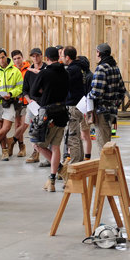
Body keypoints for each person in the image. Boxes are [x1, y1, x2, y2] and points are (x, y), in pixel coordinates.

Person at [31, 46, 69, 192]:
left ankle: (59, 170)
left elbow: (34, 92)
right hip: (62, 113)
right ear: (58, 57)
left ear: (46, 58)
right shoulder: (65, 73)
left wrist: (45, 92)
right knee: (56, 146)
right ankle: (52, 179)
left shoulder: (44, 74)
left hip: (48, 115)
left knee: (37, 144)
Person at [0, 47, 22, 161]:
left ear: (6, 56)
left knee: (6, 128)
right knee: (0, 127)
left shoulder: (15, 71)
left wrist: (11, 94)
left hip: (9, 102)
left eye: (3, 57)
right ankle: (4, 151)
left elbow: (20, 87)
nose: (1, 60)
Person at [89, 42, 126, 150]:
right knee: (107, 141)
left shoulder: (101, 68)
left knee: (103, 144)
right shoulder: (115, 68)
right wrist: (115, 104)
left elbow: (96, 92)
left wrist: (88, 98)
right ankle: (107, 166)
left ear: (99, 53)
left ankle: (105, 166)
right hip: (111, 111)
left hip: (102, 112)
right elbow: (122, 91)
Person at [62, 46, 88, 166]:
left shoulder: (73, 70)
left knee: (72, 137)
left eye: (62, 56)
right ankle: (80, 162)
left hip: (73, 106)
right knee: (76, 136)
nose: (62, 58)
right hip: (79, 105)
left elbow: (64, 84)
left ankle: (74, 164)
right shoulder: (80, 68)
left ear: (67, 57)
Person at [21, 47, 44, 164]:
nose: (35, 58)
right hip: (32, 105)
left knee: (46, 130)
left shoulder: (46, 69)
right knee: (32, 130)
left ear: (41, 56)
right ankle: (35, 152)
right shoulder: (29, 73)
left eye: (37, 56)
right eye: (33, 56)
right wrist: (29, 100)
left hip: (44, 104)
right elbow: (25, 90)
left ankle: (47, 154)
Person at [10, 49, 30, 159]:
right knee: (17, 125)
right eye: (15, 59)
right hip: (16, 100)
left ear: (22, 57)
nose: (17, 60)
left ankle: (12, 140)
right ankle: (21, 147)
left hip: (27, 100)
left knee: (25, 124)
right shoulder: (12, 70)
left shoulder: (28, 69)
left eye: (19, 58)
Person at [76, 54, 94, 160]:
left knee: (84, 134)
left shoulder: (88, 76)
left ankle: (87, 157)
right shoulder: (85, 75)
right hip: (80, 107)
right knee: (81, 135)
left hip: (84, 107)